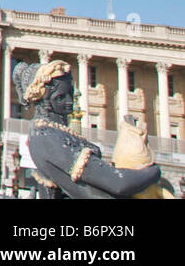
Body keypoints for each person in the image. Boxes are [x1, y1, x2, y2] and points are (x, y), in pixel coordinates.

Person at [16, 60, 160, 199]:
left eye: (70, 94)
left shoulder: (47, 133)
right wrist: (153, 172)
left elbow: (50, 192)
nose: (69, 102)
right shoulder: (48, 136)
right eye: (60, 97)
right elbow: (119, 183)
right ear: (42, 98)